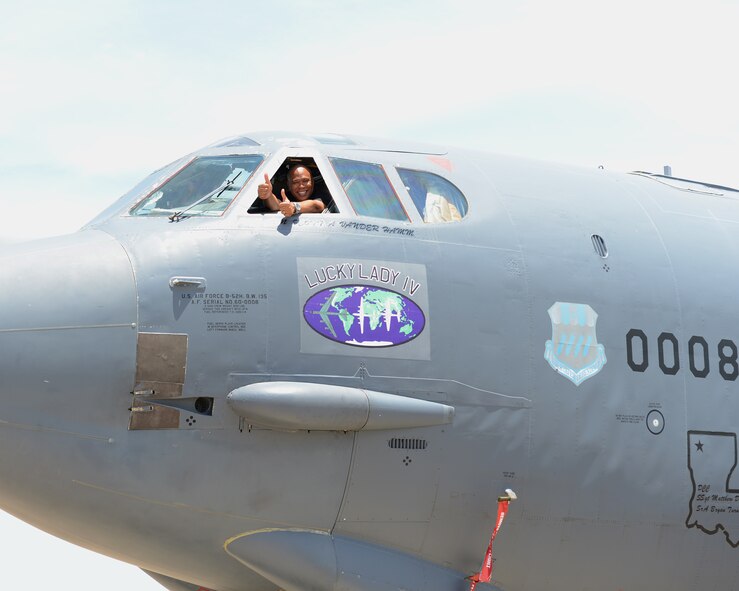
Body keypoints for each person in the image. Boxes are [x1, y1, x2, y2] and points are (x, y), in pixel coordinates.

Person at [257, 165, 327, 216]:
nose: (301, 186)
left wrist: (294, 207)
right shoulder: (285, 195)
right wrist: (268, 195)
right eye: (296, 182)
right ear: (289, 185)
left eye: (305, 181)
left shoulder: (322, 192)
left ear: (312, 182)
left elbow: (316, 206)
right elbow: (277, 206)